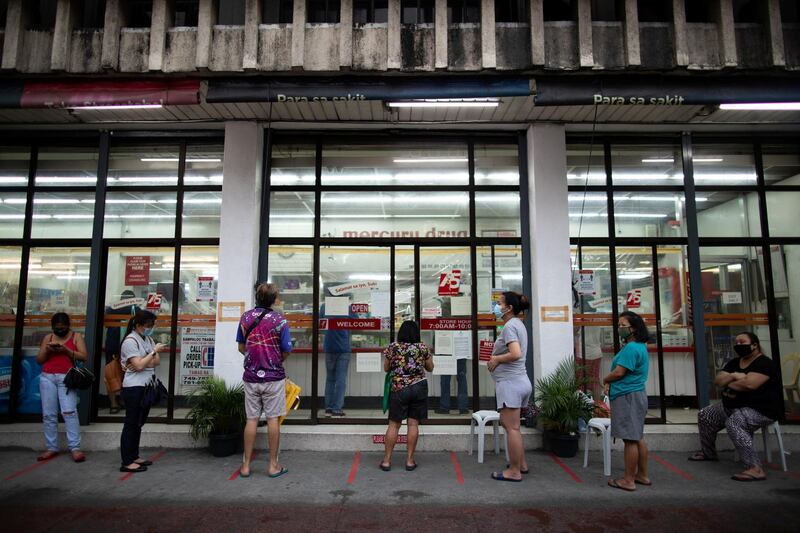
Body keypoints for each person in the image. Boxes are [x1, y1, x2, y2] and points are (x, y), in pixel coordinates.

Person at [688, 331, 783, 482]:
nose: (738, 345)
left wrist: (732, 381)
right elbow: (718, 381)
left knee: (734, 423)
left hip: (759, 409)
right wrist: (734, 376)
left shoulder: (764, 363)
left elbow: (750, 384)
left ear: (754, 345)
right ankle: (708, 453)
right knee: (705, 415)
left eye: (742, 342)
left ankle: (755, 468)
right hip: (731, 405)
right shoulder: (735, 362)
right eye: (736, 343)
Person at [237, 282, 292, 478]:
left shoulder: (246, 317)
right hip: (273, 376)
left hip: (251, 376)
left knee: (251, 419)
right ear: (273, 300)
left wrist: (254, 356)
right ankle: (272, 465)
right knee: (272, 419)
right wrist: (275, 359)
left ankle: (245, 466)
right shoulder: (280, 320)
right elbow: (286, 350)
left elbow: (241, 347)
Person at [487, 291, 532, 482]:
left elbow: (515, 353)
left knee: (511, 427)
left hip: (511, 383)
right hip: (520, 381)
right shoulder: (517, 324)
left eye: (499, 303)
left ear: (509, 307)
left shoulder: (510, 326)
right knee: (514, 427)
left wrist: (496, 358)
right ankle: (521, 463)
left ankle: (514, 471)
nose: (496, 306)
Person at [603, 311, 650, 492]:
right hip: (635, 394)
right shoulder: (638, 346)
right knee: (637, 437)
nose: (619, 328)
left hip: (628, 396)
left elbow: (619, 372)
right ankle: (642, 475)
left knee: (630, 439)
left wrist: (606, 380)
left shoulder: (631, 348)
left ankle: (628, 480)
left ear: (634, 328)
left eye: (623, 325)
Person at [380, 320, 433, 471]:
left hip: (399, 388)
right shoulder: (422, 347)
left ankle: (386, 461)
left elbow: (386, 368)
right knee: (413, 424)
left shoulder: (393, 347)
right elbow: (430, 368)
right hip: (418, 387)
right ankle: (409, 461)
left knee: (394, 425)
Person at [119, 310, 168, 473]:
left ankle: (134, 455)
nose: (151, 328)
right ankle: (126, 460)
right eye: (149, 325)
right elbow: (140, 365)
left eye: (152, 325)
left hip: (145, 385)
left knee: (139, 423)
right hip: (133, 387)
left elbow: (155, 363)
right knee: (131, 423)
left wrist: (144, 360)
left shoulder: (147, 339)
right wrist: (152, 353)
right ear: (138, 324)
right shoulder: (130, 341)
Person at [36, 312, 88, 463]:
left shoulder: (76, 337)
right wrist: (47, 349)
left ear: (68, 326)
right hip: (48, 377)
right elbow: (39, 360)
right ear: (53, 327)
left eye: (63, 327)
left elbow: (83, 356)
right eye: (57, 328)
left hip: (67, 378)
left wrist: (65, 350)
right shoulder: (48, 338)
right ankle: (51, 447)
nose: (60, 330)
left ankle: (75, 447)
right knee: (48, 414)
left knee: (69, 411)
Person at [104, 289, 139, 414]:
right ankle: (125, 401)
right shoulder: (137, 310)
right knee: (128, 375)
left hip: (114, 347)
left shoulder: (111, 309)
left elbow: (107, 324)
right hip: (130, 348)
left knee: (111, 375)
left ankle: (114, 404)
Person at [321, 298, 353, 417]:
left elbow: (320, 321)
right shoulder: (347, 307)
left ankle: (328, 407)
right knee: (341, 380)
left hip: (329, 346)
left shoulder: (324, 306)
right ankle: (337, 409)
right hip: (343, 347)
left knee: (330, 379)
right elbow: (357, 321)